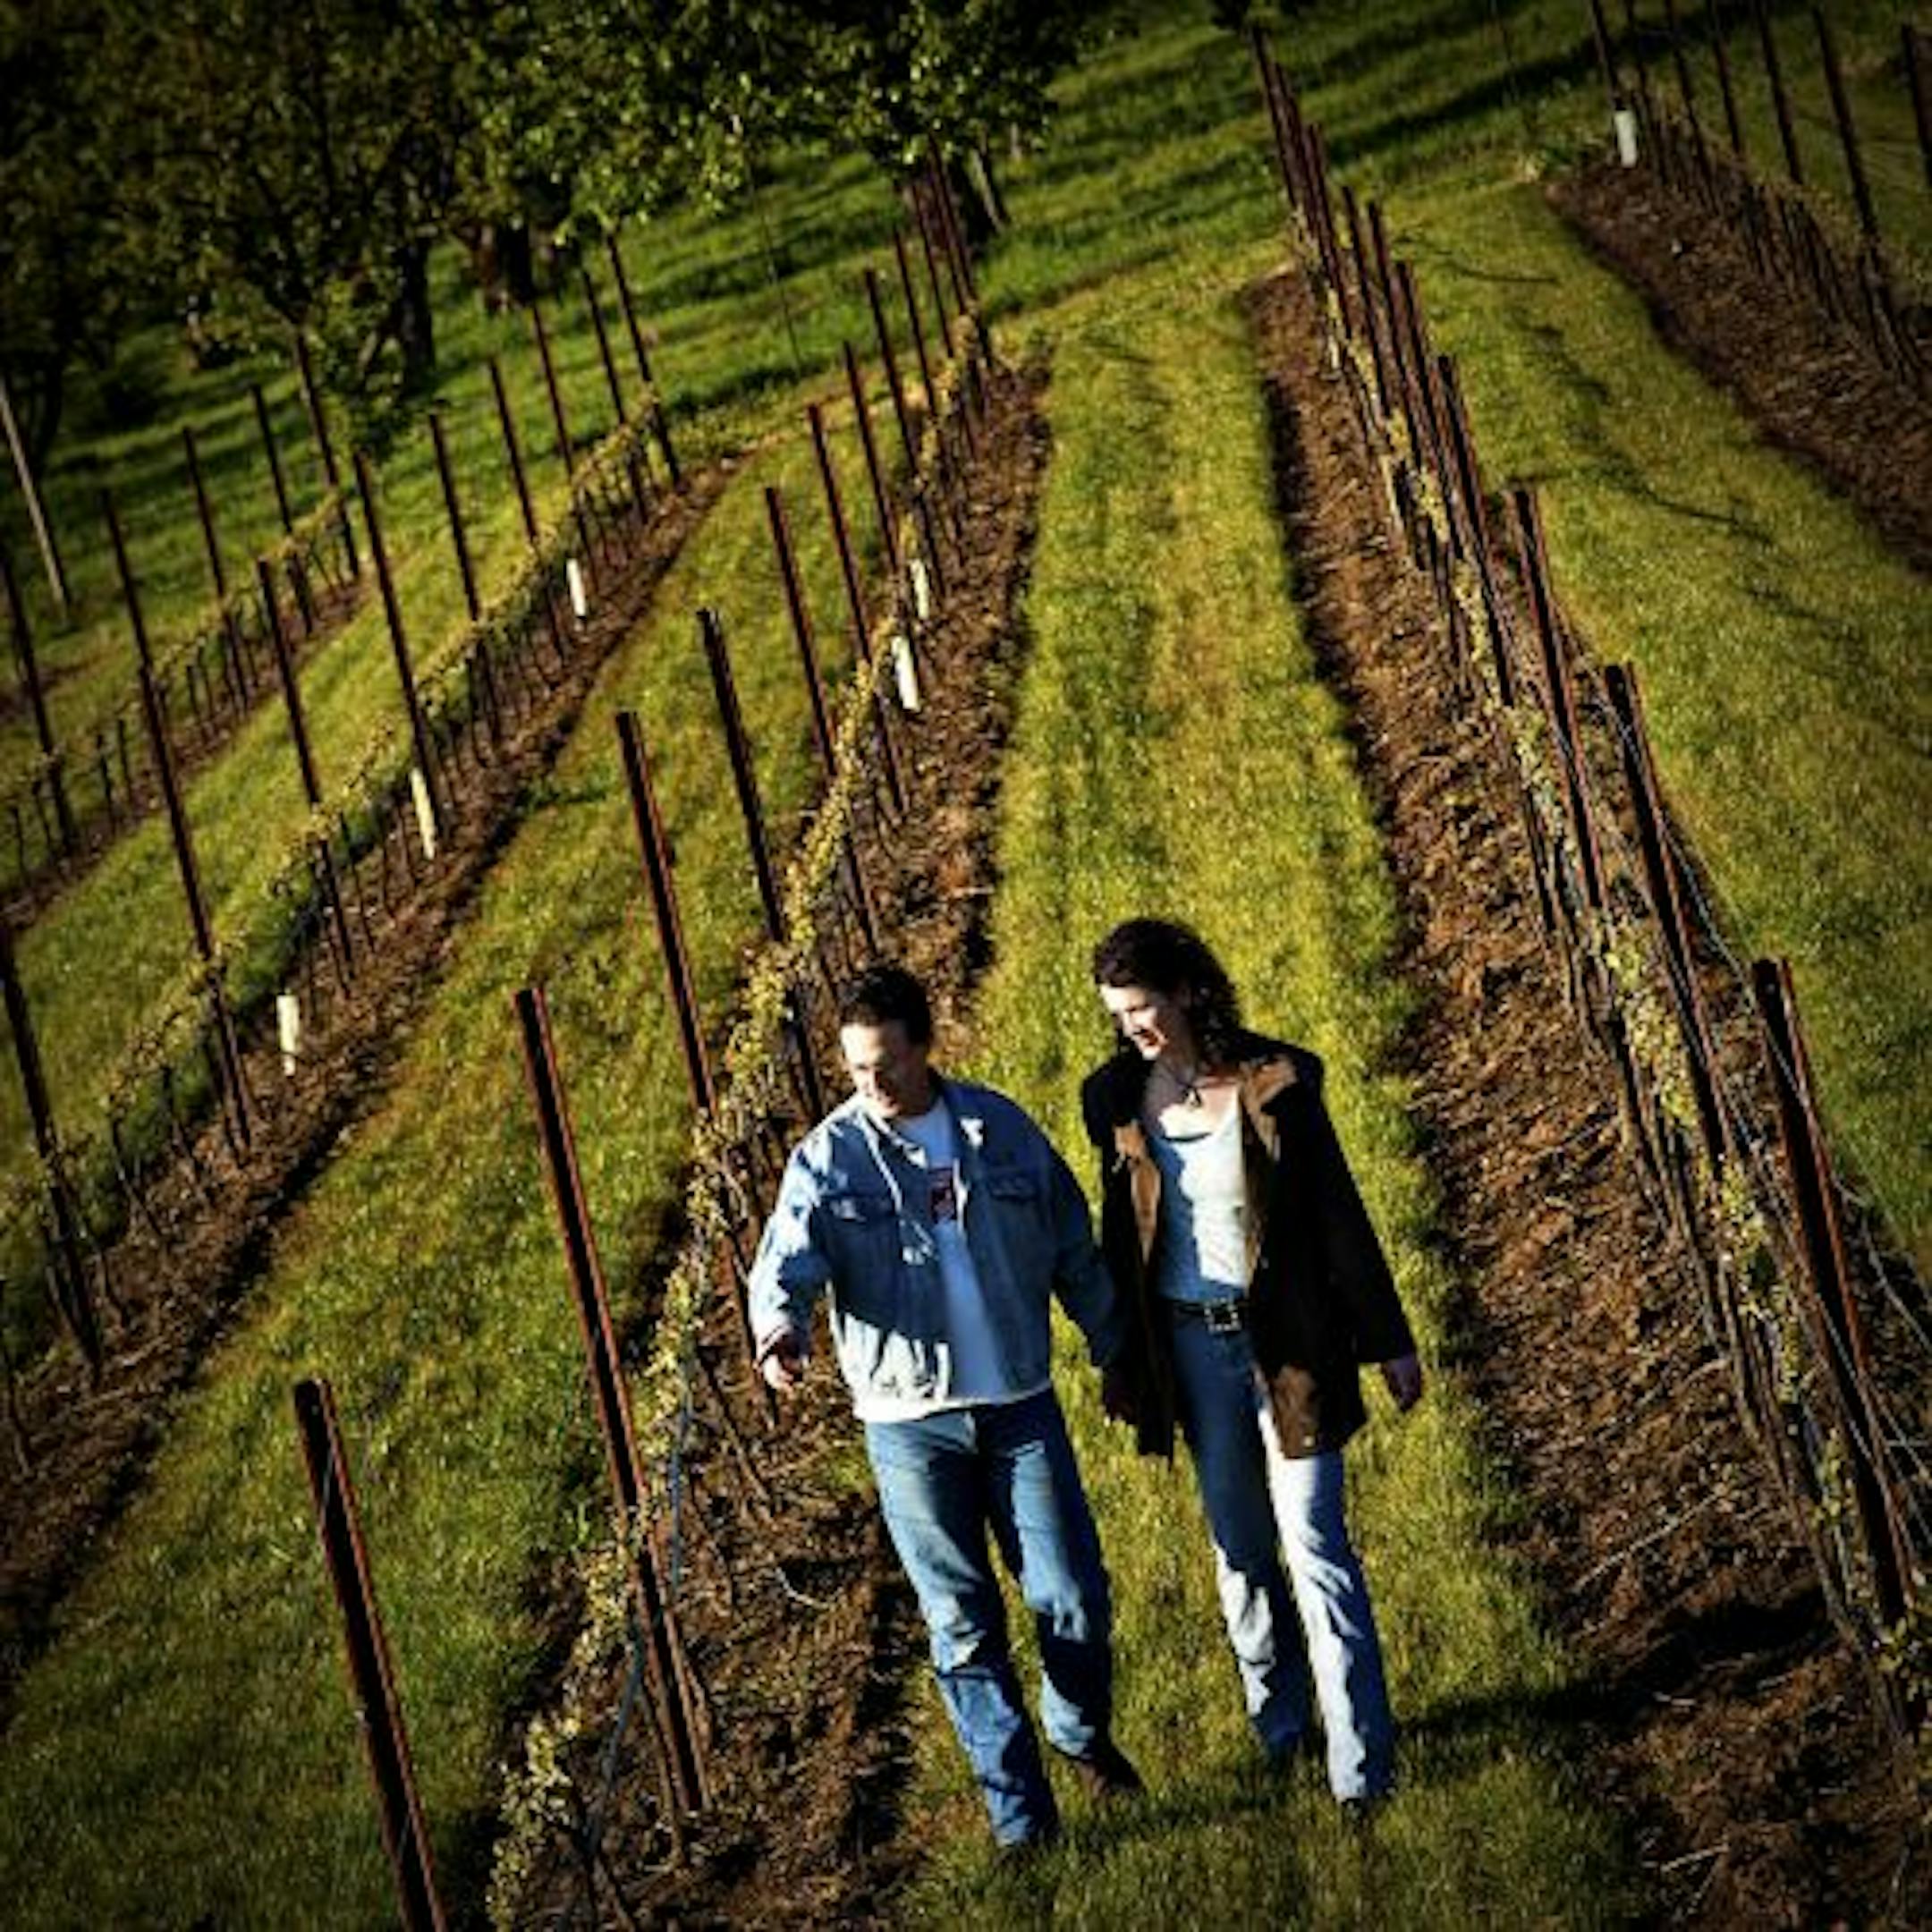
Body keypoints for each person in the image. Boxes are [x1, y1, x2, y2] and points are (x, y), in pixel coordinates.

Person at [750, 962, 1143, 1850]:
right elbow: (786, 1260)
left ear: (925, 1048)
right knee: (963, 1626)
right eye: (855, 1070)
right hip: (907, 1425)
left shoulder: (997, 1129)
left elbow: (1071, 1243)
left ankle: (1077, 1730)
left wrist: (1113, 1348)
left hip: (1019, 1405)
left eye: (886, 1064)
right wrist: (781, 1333)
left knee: (1073, 1595)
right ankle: (1021, 1824)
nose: (872, 1085)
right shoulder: (829, 1156)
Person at [1080, 918, 1422, 1813]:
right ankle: (1281, 1736)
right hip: (1190, 1346)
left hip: (1291, 1345)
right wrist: (1120, 1360)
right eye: (1118, 1014)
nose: (1133, 1028)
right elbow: (1120, 1243)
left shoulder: (1279, 1081)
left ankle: (1362, 1770)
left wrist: (1389, 1340)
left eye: (1143, 1007)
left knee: (1316, 1547)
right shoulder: (1113, 1099)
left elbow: (1338, 1215)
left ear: (1190, 990)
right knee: (1240, 1553)